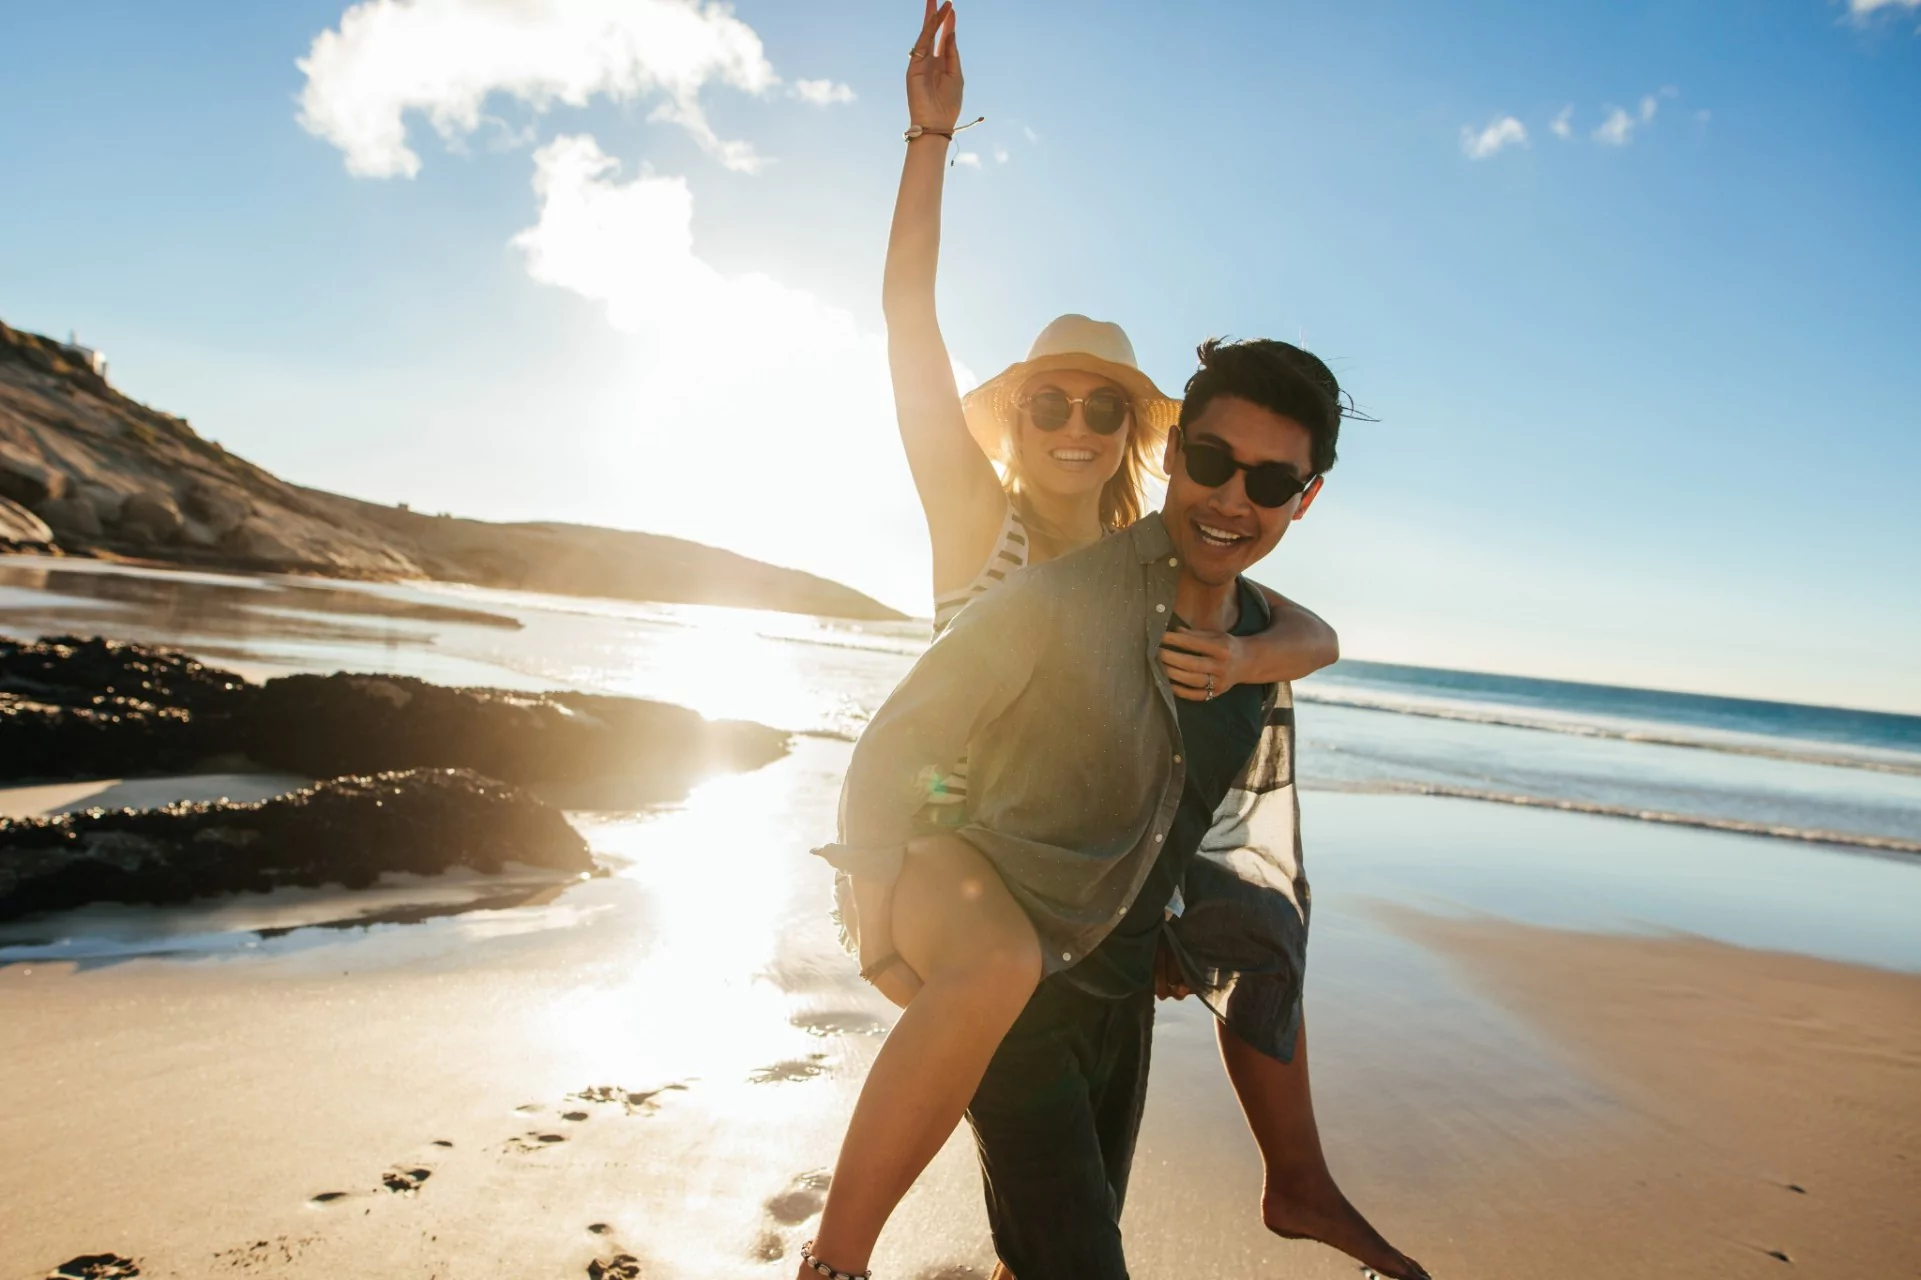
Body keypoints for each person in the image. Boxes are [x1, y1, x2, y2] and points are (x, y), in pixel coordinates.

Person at [795, 5, 1427, 1279]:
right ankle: (834, 1260)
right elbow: (905, 320)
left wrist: (1262, 657)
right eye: (1046, 400)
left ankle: (1293, 1171)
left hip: (1102, 919)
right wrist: (928, 135)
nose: (1071, 424)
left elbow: (1288, 631)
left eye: (1098, 404)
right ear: (1015, 414)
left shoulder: (1161, 554)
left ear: (1133, 430)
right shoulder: (981, 520)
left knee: (1080, 1237)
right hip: (967, 879)